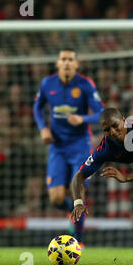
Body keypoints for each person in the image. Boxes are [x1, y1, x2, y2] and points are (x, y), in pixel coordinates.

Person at [33, 48, 104, 245]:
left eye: (70, 59)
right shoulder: (47, 84)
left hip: (80, 145)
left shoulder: (85, 85)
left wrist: (83, 118)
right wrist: (42, 129)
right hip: (57, 146)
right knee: (55, 198)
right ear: (57, 63)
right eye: (63, 59)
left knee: (78, 194)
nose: (66, 62)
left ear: (76, 64)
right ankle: (70, 212)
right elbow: (37, 107)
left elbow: (102, 114)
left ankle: (78, 241)